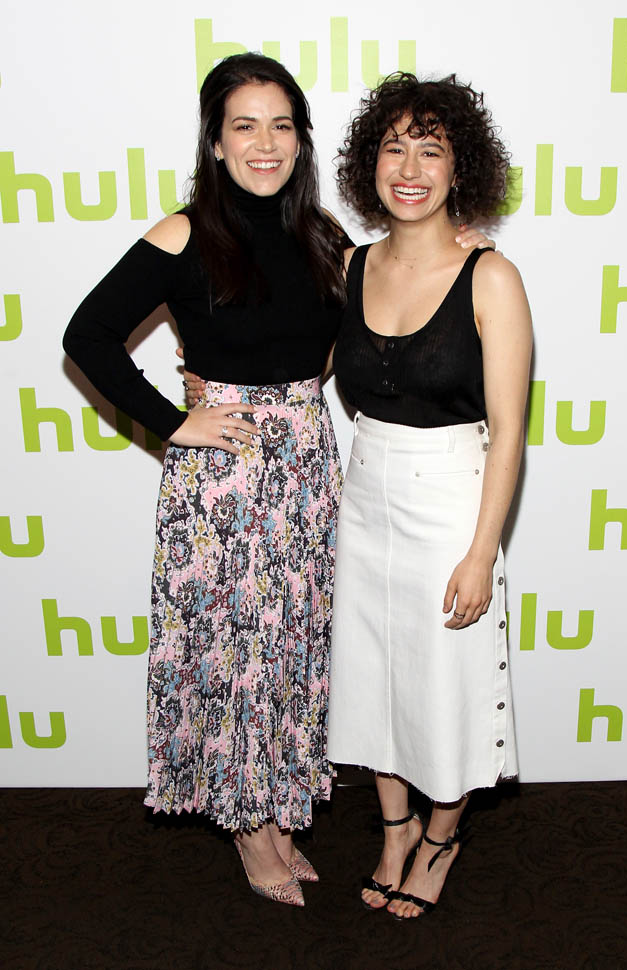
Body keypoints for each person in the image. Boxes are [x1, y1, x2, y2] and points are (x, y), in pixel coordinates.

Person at [63, 52, 351, 908]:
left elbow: (378, 317)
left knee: (290, 649)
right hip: (222, 484)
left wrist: (460, 246)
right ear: (216, 143)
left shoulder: (323, 236)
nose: (265, 143)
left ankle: (278, 807)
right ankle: (249, 829)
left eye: (281, 125)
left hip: (306, 471)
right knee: (233, 654)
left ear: (300, 140)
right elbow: (87, 336)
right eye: (243, 126)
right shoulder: (184, 234)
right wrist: (176, 420)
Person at [326, 72, 532, 919]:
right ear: (368, 164)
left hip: (452, 497)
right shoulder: (349, 265)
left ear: (459, 169)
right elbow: (292, 361)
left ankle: (442, 837)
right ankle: (395, 828)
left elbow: (508, 432)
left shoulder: (491, 277)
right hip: (365, 490)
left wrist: (481, 552)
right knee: (371, 675)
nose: (409, 169)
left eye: (431, 151)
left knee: (446, 681)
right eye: (393, 148)